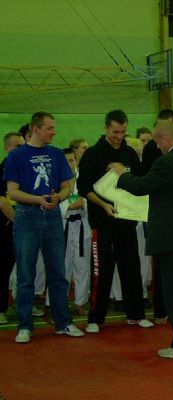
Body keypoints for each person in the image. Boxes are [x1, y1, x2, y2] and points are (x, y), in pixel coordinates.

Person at [112, 121, 173, 360]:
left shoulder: (167, 162)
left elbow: (141, 186)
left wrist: (122, 175)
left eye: (156, 140)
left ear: (165, 138)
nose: (155, 145)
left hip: (170, 235)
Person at [3, 112, 84, 343]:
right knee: (26, 274)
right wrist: (37, 199)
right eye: (49, 128)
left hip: (52, 217)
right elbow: (12, 191)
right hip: (27, 216)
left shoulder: (56, 154)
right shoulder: (17, 155)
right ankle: (24, 326)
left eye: (53, 128)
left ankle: (63, 322)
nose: (53, 132)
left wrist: (59, 197)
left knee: (58, 272)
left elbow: (67, 186)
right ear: (36, 129)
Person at [77, 109, 153, 333]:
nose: (119, 136)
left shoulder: (129, 153)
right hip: (103, 222)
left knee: (132, 268)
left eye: (123, 132)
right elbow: (84, 188)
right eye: (115, 132)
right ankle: (95, 318)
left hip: (127, 221)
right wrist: (104, 205)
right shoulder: (93, 154)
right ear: (106, 128)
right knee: (102, 271)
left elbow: (138, 182)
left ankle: (136, 315)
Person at [60, 148, 91, 316]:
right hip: (62, 228)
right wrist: (71, 206)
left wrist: (81, 204)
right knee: (61, 268)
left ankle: (80, 302)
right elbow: (53, 203)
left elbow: (88, 201)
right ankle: (57, 303)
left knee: (82, 267)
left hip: (82, 227)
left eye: (72, 160)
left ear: (76, 162)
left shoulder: (84, 180)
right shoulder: (56, 180)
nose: (69, 164)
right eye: (65, 161)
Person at [0, 133, 25, 324]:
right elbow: (2, 202)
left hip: (25, 225)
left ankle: (24, 304)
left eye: (23, 146)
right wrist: (19, 222)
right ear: (7, 148)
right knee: (3, 267)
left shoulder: (24, 168)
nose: (21, 150)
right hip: (8, 226)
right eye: (17, 146)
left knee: (26, 268)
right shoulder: (3, 170)